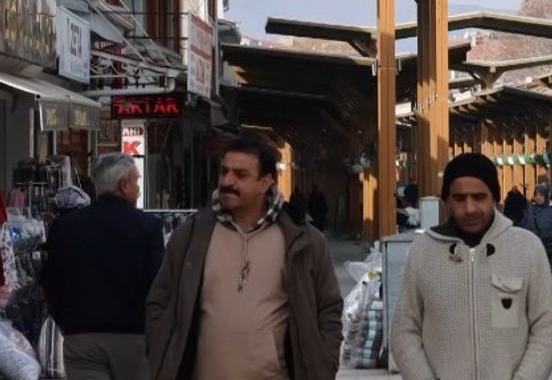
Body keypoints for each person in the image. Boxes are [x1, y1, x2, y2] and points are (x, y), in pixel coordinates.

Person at [145, 134, 343, 380]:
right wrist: (159, 350)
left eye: (241, 175)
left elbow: (329, 308)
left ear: (265, 182)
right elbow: (159, 300)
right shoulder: (191, 237)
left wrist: (324, 364)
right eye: (224, 171)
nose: (228, 181)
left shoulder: (304, 242)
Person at [390, 153, 552, 380]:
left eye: (479, 197)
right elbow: (404, 331)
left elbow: (547, 327)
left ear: (495, 198)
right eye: (459, 198)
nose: (469, 208)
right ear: (447, 201)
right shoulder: (424, 251)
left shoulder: (527, 248)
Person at [41, 154, 162, 380]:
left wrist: (67, 322)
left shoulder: (66, 227)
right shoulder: (149, 227)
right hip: (133, 339)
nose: (138, 189)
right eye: (136, 181)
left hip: (81, 337)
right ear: (124, 185)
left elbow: (51, 281)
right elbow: (157, 285)